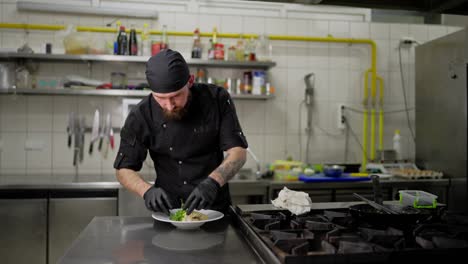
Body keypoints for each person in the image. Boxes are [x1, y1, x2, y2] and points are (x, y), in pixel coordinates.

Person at [114, 49, 248, 215]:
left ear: (190, 81)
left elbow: (239, 152)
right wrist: (146, 190)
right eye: (160, 98)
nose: (169, 105)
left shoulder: (216, 99)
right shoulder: (141, 115)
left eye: (176, 96)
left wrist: (213, 182)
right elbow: (123, 170)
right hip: (169, 212)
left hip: (215, 210)